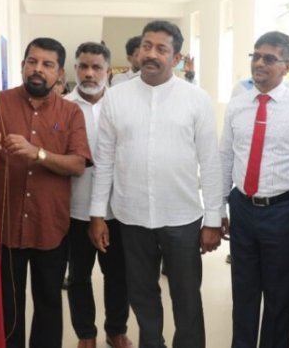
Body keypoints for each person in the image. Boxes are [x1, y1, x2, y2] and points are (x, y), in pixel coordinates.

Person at [89, 20, 225, 348]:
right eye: (146, 46)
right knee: (142, 294)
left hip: (182, 217)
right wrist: (97, 214)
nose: (151, 54)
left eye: (161, 49)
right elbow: (104, 161)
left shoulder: (197, 99)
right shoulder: (116, 98)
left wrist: (213, 219)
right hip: (131, 216)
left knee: (186, 296)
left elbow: (210, 162)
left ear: (176, 58)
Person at [0, 37, 92, 348]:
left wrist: (38, 153)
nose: (38, 69)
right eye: (32, 62)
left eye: (47, 65)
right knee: (8, 306)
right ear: (22, 65)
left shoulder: (71, 112)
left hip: (50, 225)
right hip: (5, 226)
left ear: (59, 73)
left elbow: (78, 164)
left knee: (48, 303)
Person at [220, 31, 289, 348]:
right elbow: (225, 156)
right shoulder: (237, 106)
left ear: (287, 66)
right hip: (242, 208)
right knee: (242, 292)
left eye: (269, 58)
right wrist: (218, 209)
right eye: (255, 56)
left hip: (283, 211)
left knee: (279, 296)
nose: (259, 63)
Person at [65, 42, 133, 348]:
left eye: (96, 67)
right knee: (78, 276)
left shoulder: (121, 106)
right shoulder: (63, 107)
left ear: (108, 71)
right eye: (83, 66)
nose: (89, 73)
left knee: (117, 275)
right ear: (75, 69)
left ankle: (116, 330)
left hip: (117, 210)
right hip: (75, 209)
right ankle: (86, 335)